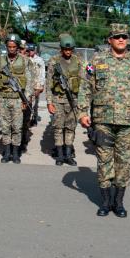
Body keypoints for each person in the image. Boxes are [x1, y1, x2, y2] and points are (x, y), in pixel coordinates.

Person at [76, 23, 130, 218]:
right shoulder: (97, 60)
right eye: (117, 36)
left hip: (128, 122)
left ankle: (118, 202)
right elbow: (85, 86)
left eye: (124, 37)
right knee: (104, 162)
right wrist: (83, 112)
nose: (121, 39)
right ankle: (105, 202)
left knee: (125, 162)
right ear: (109, 39)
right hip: (103, 121)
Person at [45, 34, 84, 166]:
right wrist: (49, 102)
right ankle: (60, 155)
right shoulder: (53, 61)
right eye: (65, 49)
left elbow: (83, 82)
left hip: (73, 99)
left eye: (70, 49)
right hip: (58, 99)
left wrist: (82, 101)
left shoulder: (78, 61)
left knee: (71, 127)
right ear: (61, 49)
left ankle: (68, 154)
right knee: (58, 127)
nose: (68, 52)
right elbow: (49, 82)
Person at [0, 34, 34, 164]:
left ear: (18, 47)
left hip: (18, 99)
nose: (11, 49)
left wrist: (26, 99)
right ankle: (6, 152)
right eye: (9, 46)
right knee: (5, 127)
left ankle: (16, 153)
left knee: (17, 127)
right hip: (3, 98)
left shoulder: (25, 60)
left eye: (14, 47)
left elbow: (29, 81)